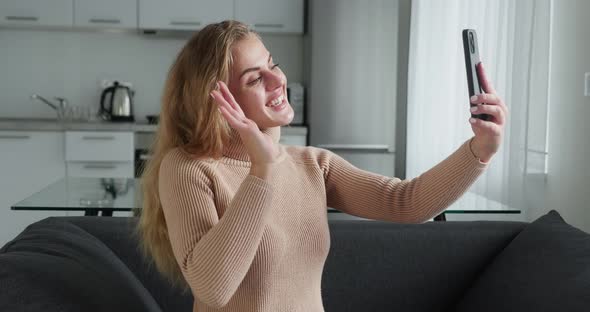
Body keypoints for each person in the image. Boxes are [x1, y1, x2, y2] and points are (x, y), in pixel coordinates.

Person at [137, 20, 508, 312]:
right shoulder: (188, 169)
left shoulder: (311, 164)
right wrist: (261, 171)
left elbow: (406, 202)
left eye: (272, 65)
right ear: (217, 101)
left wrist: (481, 148)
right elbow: (214, 288)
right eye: (254, 78)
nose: (278, 80)